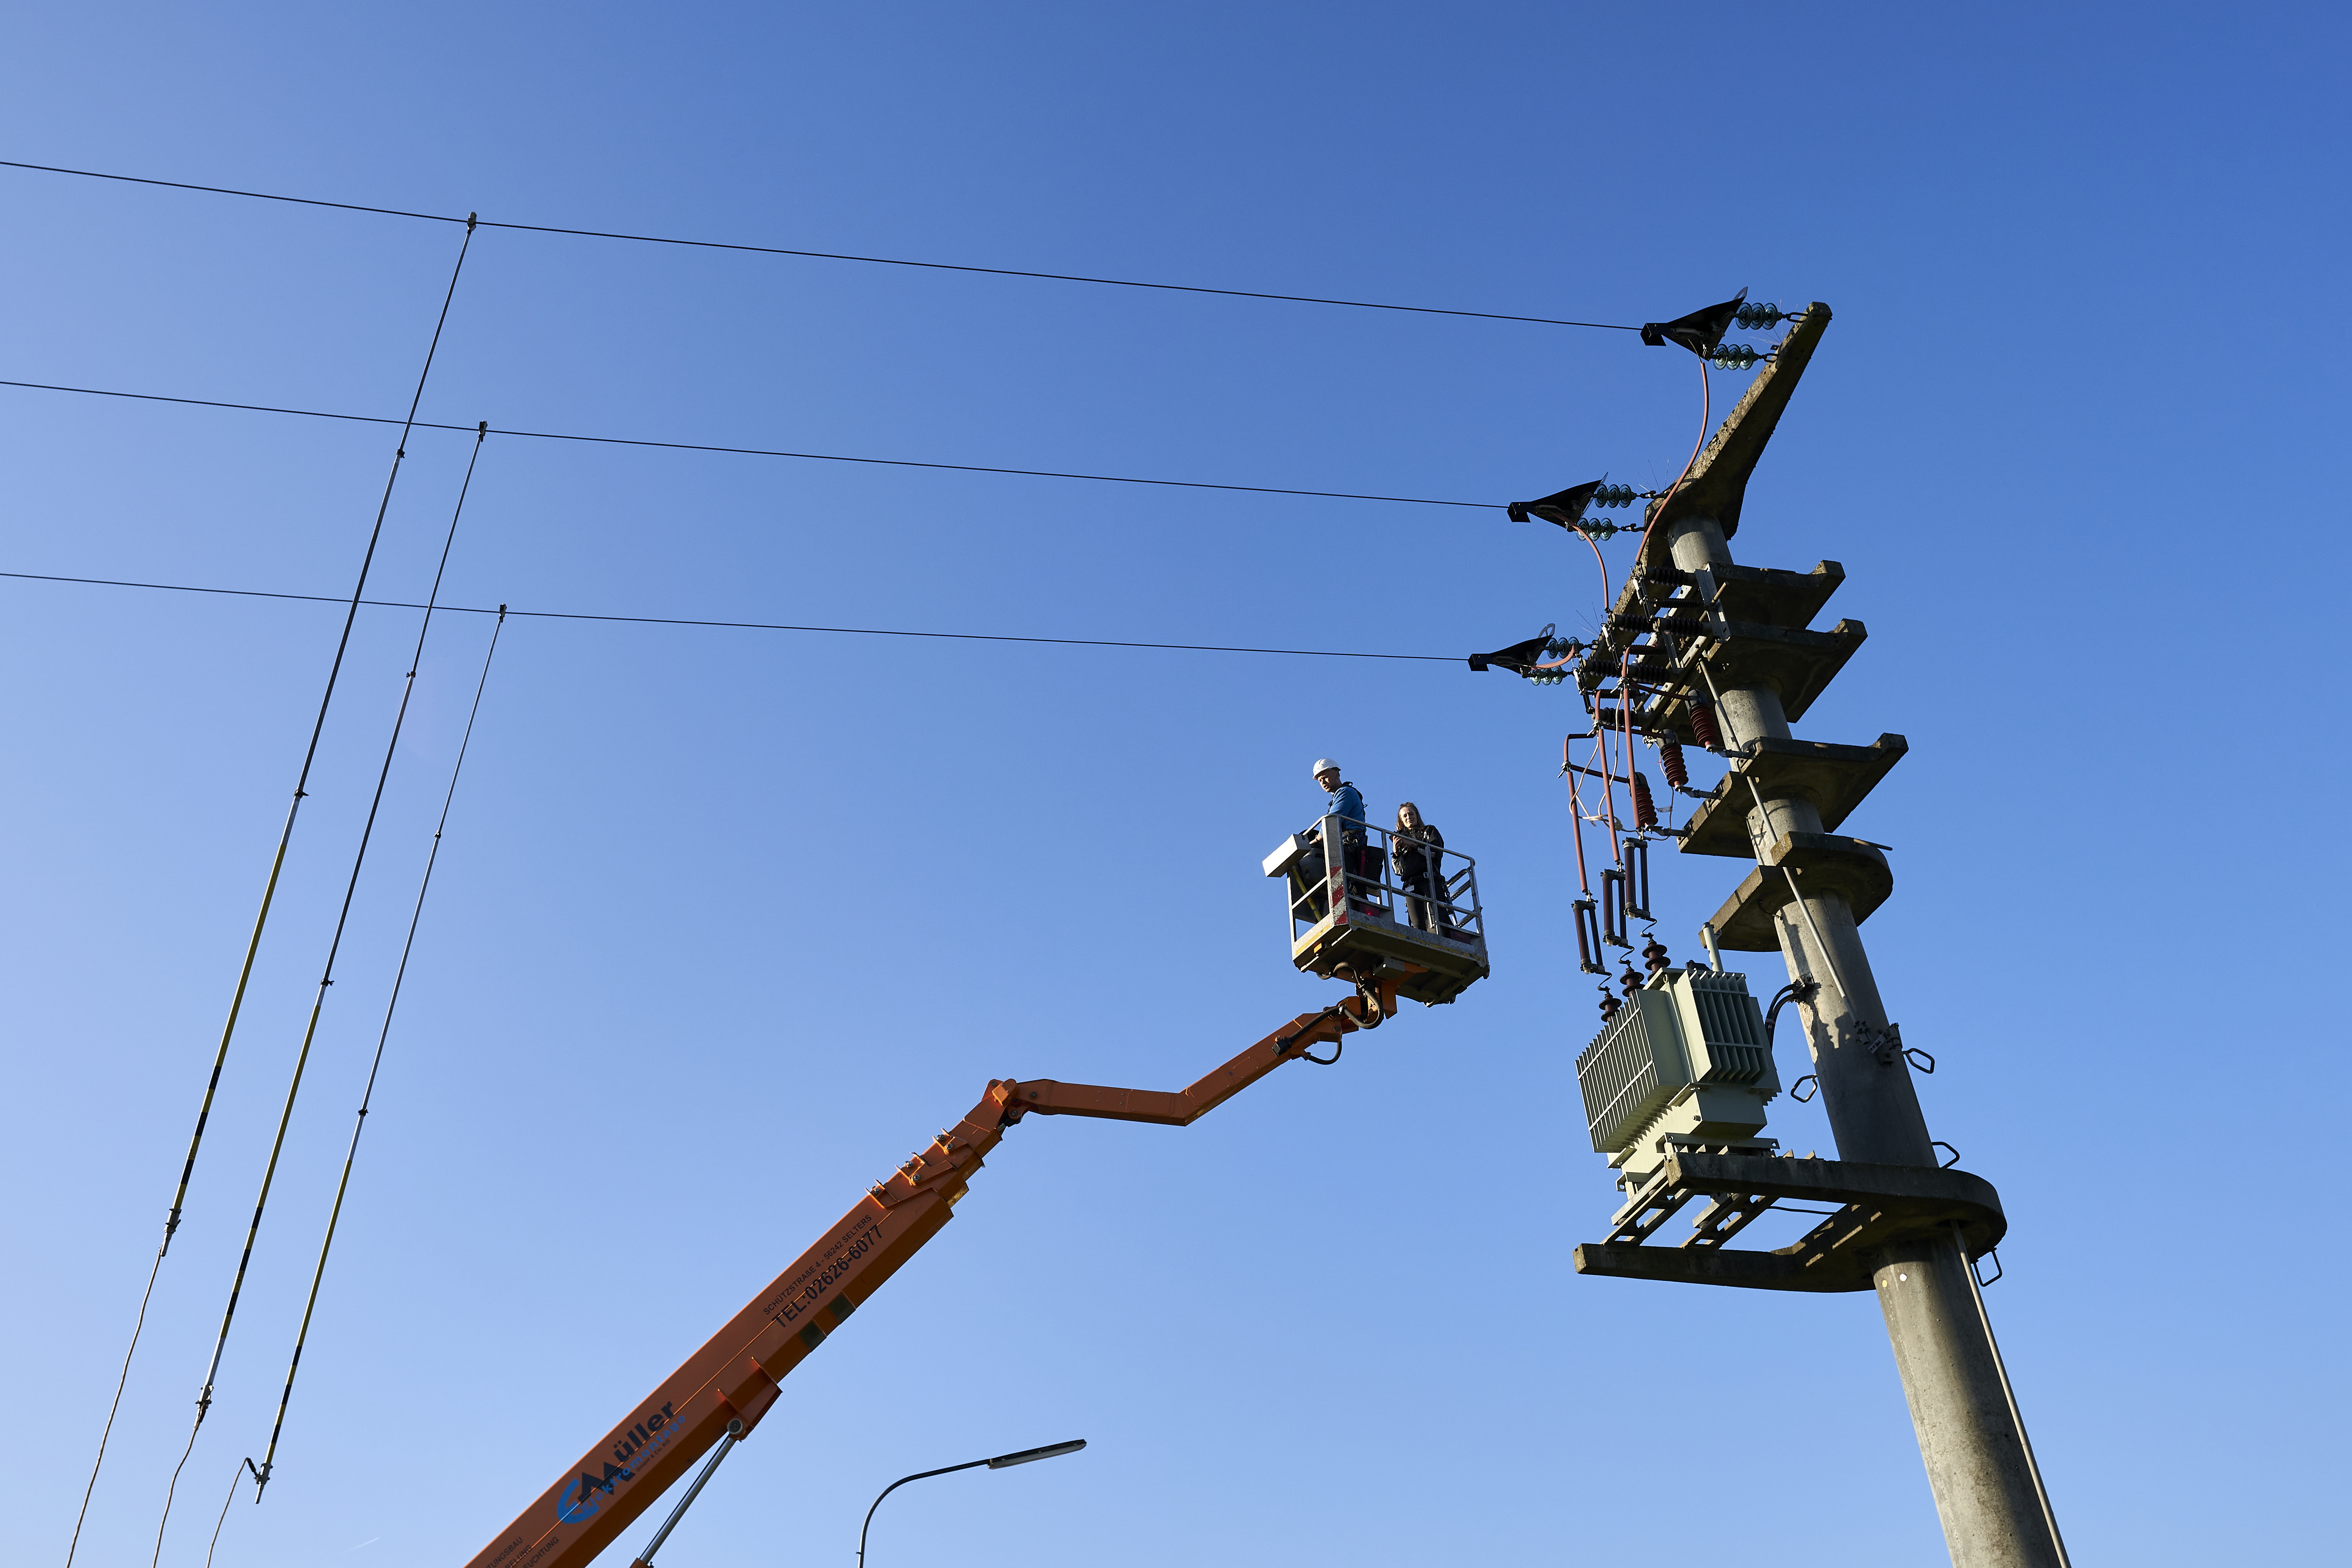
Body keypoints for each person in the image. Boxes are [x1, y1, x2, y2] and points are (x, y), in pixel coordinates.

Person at [1292, 758, 1375, 920]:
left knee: (1349, 887)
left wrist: (1316, 840)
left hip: (1349, 847)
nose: (1323, 781)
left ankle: (1354, 916)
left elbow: (1331, 821)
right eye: (1320, 779)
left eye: (1325, 776)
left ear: (1337, 773)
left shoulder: (1346, 793)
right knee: (1349, 888)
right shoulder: (1340, 795)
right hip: (1348, 846)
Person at [1392, 802, 1453, 935]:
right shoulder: (1400, 838)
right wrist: (1396, 852)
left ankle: (1450, 940)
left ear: (1417, 815)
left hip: (1430, 879)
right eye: (1405, 816)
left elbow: (1436, 854)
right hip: (1411, 883)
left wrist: (1414, 845)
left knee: (1441, 918)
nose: (1409, 817)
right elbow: (1398, 871)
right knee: (1418, 925)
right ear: (1401, 820)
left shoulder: (1429, 831)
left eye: (1411, 814)